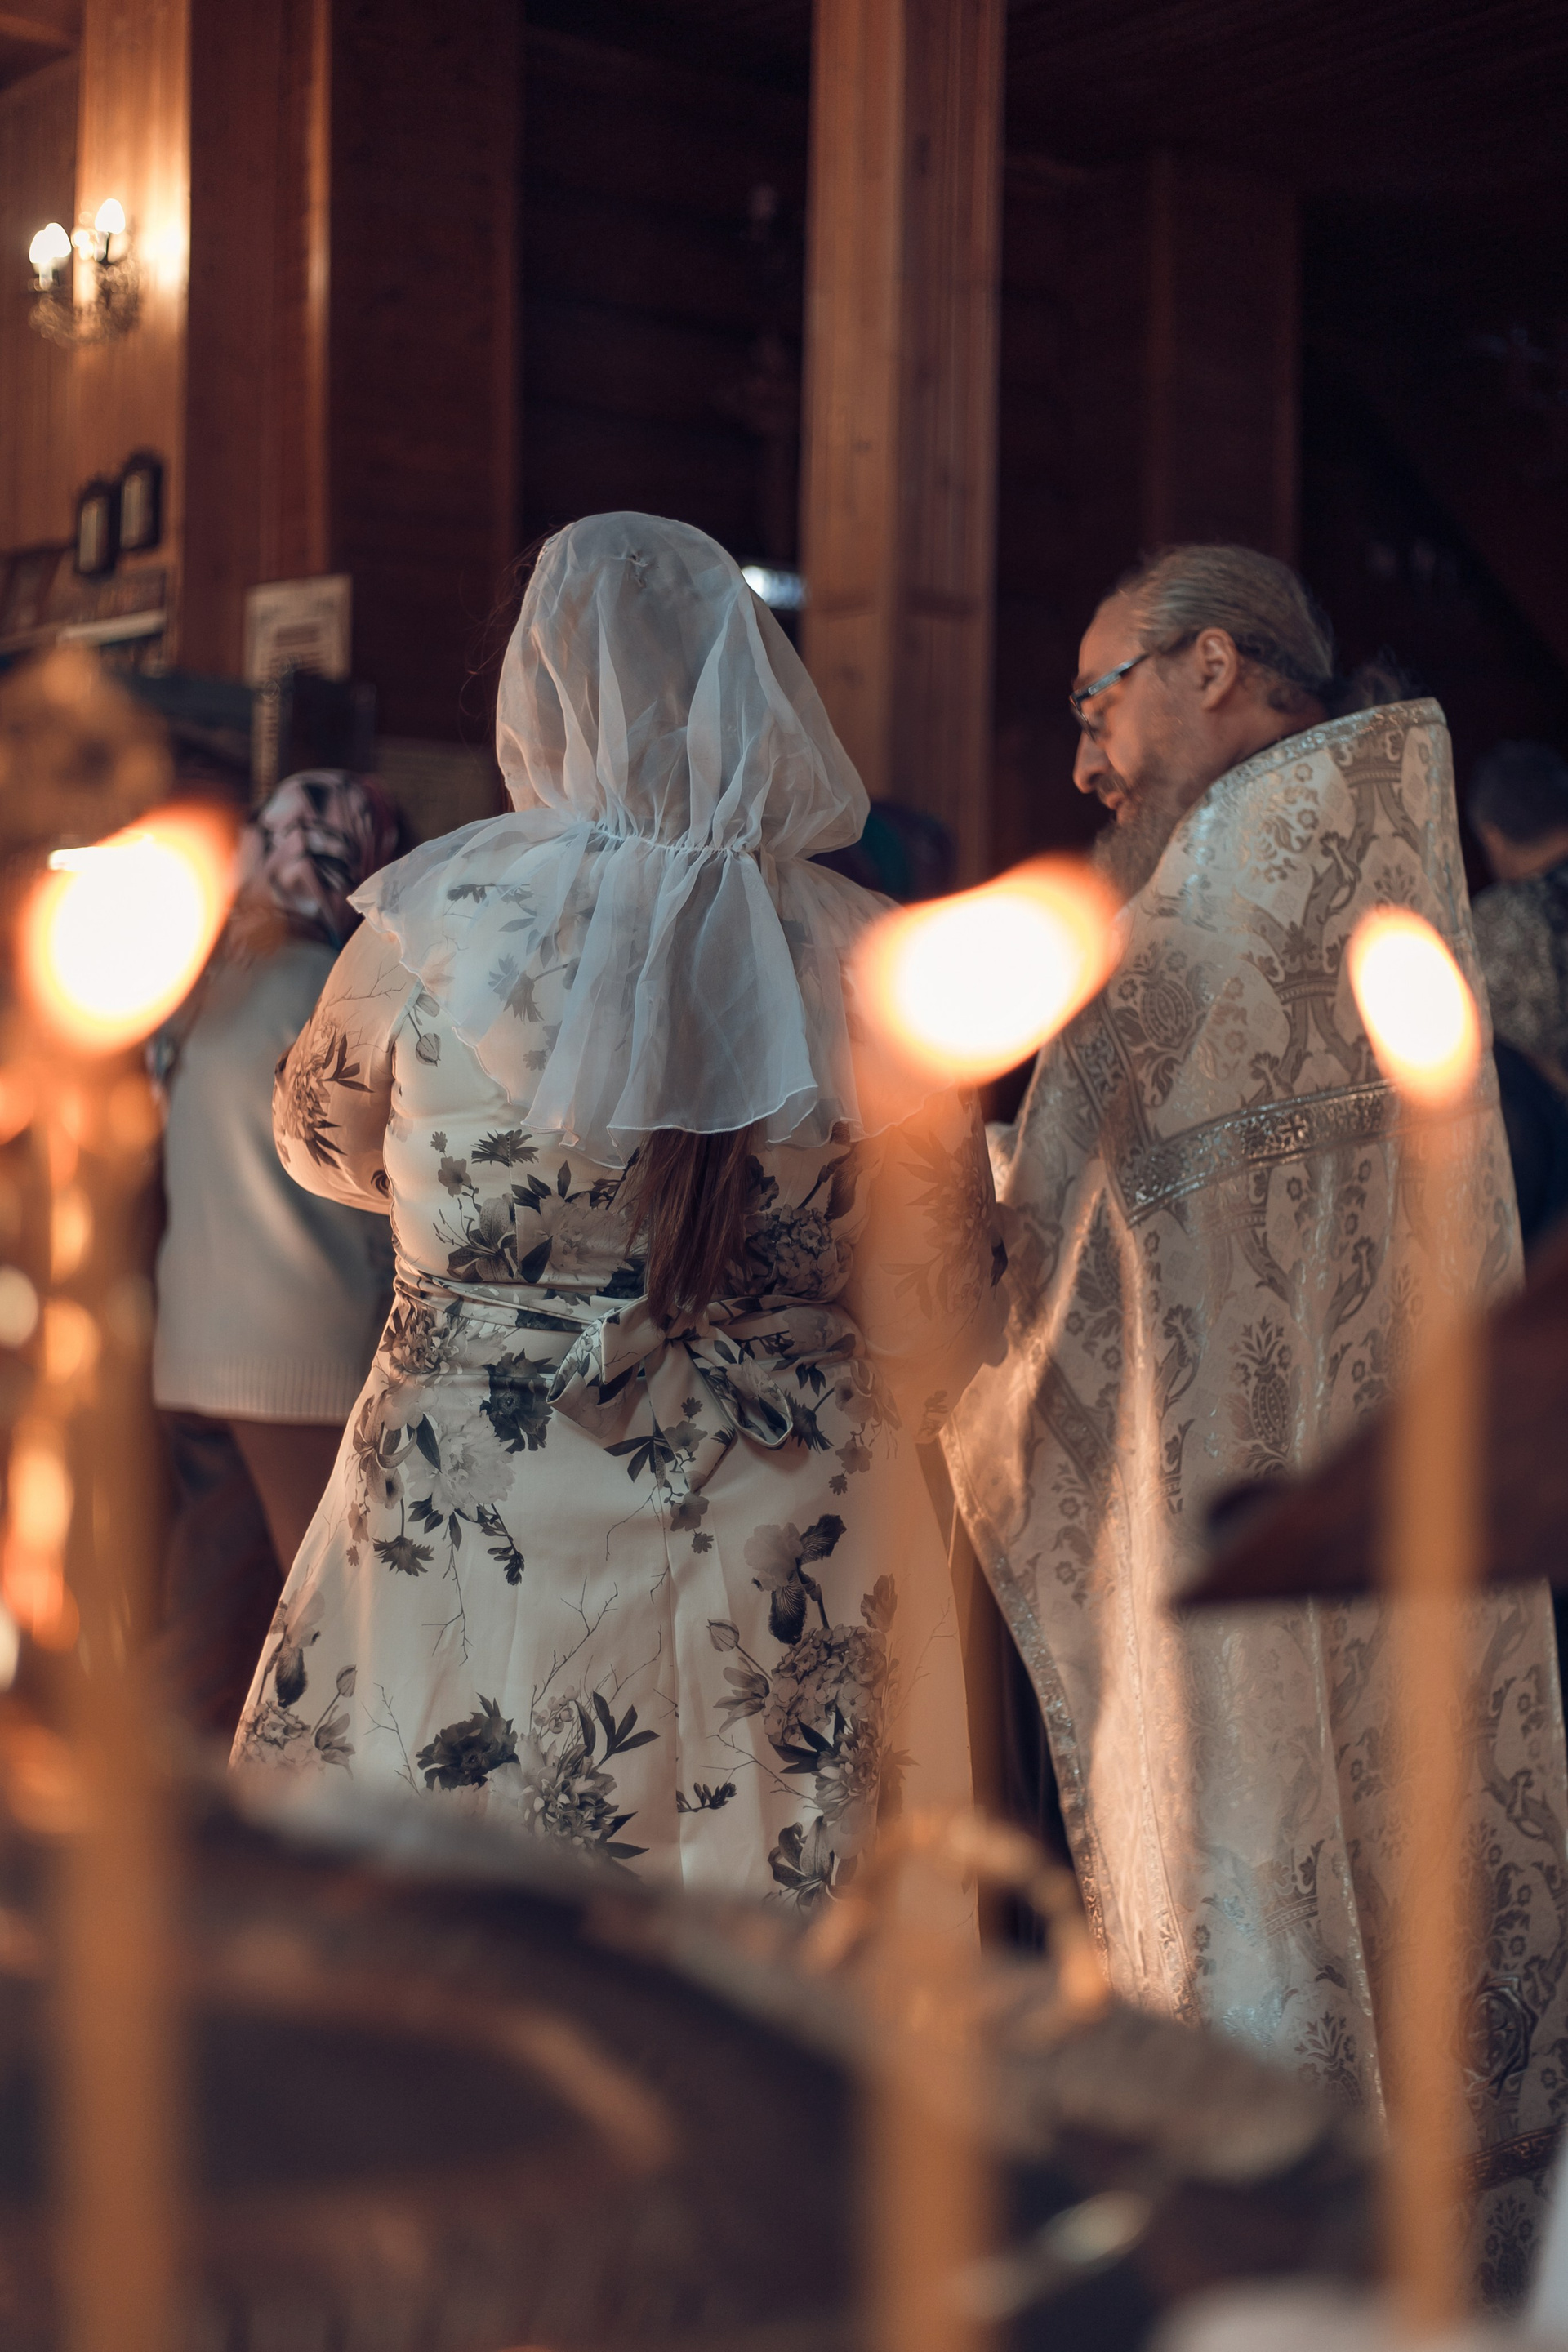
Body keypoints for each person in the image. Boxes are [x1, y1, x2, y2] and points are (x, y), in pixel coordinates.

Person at [940, 543, 1568, 2295]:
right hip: (1408, 1530)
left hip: (1227, 1535)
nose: (1087, 763)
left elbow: (1050, 1285)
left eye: (1098, 703)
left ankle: (1285, 2259)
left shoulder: (1183, 932)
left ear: (1210, 666)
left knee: (1263, 1876)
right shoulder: (1394, 879)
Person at [231, 513, 1004, 1916]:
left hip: (477, 1501)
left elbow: (316, 1140)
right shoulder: (875, 960)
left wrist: (487, 1234)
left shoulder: (439, 921)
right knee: (794, 1970)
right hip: (796, 1522)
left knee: (463, 1935)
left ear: (538, 686)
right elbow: (942, 1302)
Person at [152, 772, 399, 1734]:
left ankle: (155, 1797)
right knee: (329, 1622)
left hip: (192, 1348)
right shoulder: (335, 994)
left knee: (212, 1611)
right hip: (299, 1361)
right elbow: (375, 1185)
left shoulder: (200, 988)